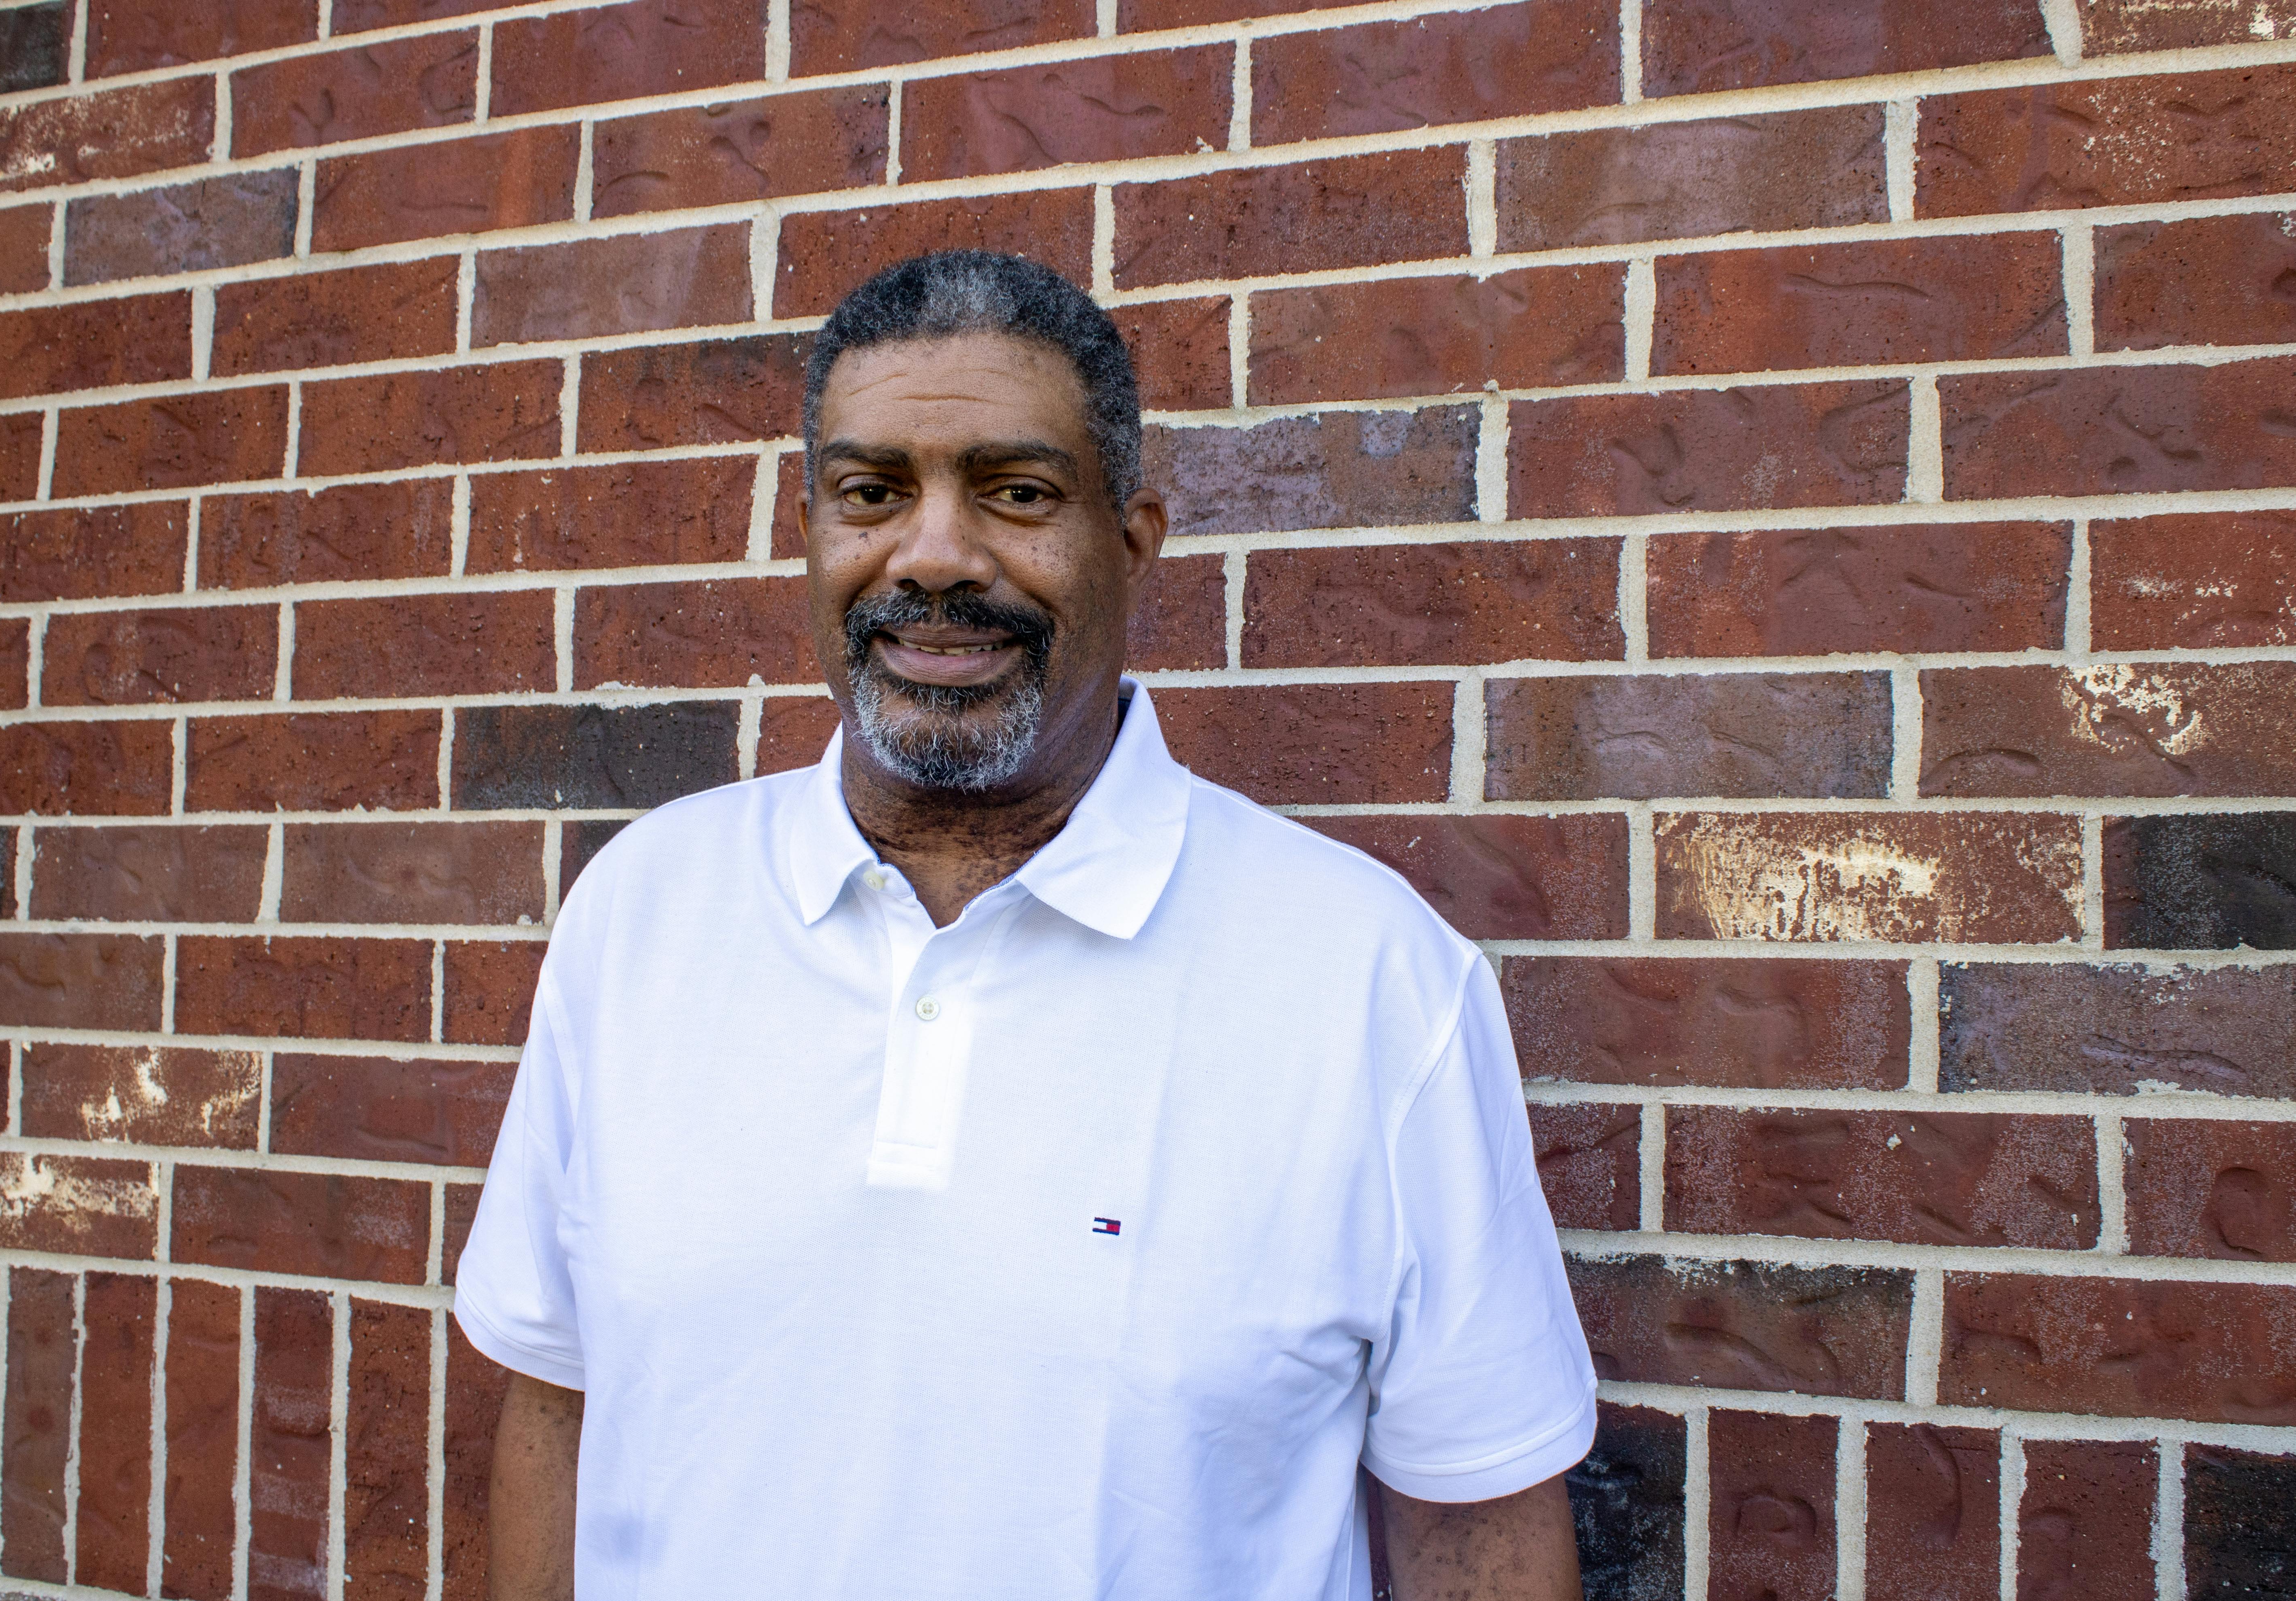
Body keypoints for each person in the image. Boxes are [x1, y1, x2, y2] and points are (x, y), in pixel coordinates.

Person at [457, 249, 1597, 1600]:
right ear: (813, 528)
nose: (934, 554)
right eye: (872, 492)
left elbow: (1476, 1528)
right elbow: (558, 1402)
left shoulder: (1369, 980)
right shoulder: (641, 915)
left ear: (1134, 542)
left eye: (1017, 492)